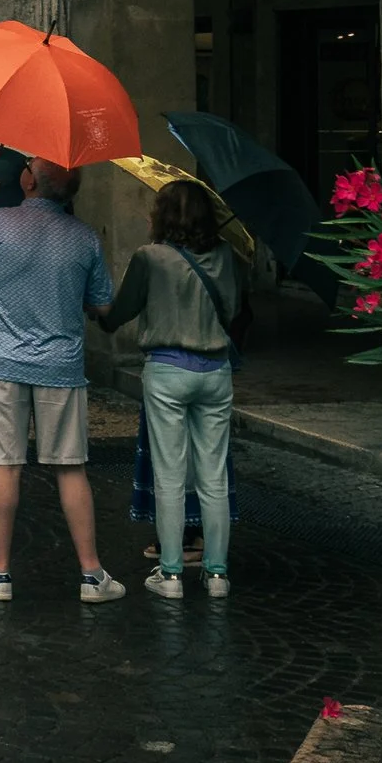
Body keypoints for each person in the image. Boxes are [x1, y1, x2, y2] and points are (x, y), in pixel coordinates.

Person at [0, 156, 125, 604]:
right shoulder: (85, 238)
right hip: (61, 367)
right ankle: (92, 575)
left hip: (1, 367)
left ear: (29, 180)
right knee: (70, 467)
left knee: (5, 464)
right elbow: (102, 307)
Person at [98, 180, 244, 598]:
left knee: (170, 475)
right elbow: (233, 311)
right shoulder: (225, 256)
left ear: (163, 216)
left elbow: (122, 310)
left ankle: (172, 574)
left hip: (166, 371)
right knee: (214, 476)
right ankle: (217, 574)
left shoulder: (149, 257)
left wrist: (99, 316)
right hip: (215, 371)